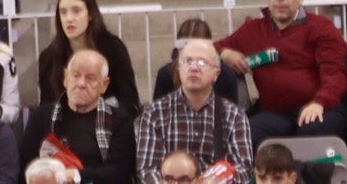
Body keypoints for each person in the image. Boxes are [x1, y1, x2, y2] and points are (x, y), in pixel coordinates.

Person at [214, 0, 347, 143]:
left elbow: (335, 75)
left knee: (311, 132)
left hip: (322, 107)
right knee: (244, 133)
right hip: (275, 113)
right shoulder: (252, 30)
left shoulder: (321, 27)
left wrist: (319, 102)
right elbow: (203, 50)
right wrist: (223, 53)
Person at [134, 37, 254, 184]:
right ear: (178, 69)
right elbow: (147, 170)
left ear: (216, 73)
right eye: (187, 61)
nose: (194, 68)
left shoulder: (234, 116)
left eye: (202, 62)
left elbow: (243, 170)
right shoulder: (154, 113)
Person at [19, 49, 136, 184]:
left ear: (104, 85)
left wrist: (75, 176)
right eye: (76, 75)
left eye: (90, 78)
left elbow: (120, 173)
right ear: (65, 78)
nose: (81, 84)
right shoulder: (41, 116)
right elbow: (25, 170)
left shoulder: (119, 120)